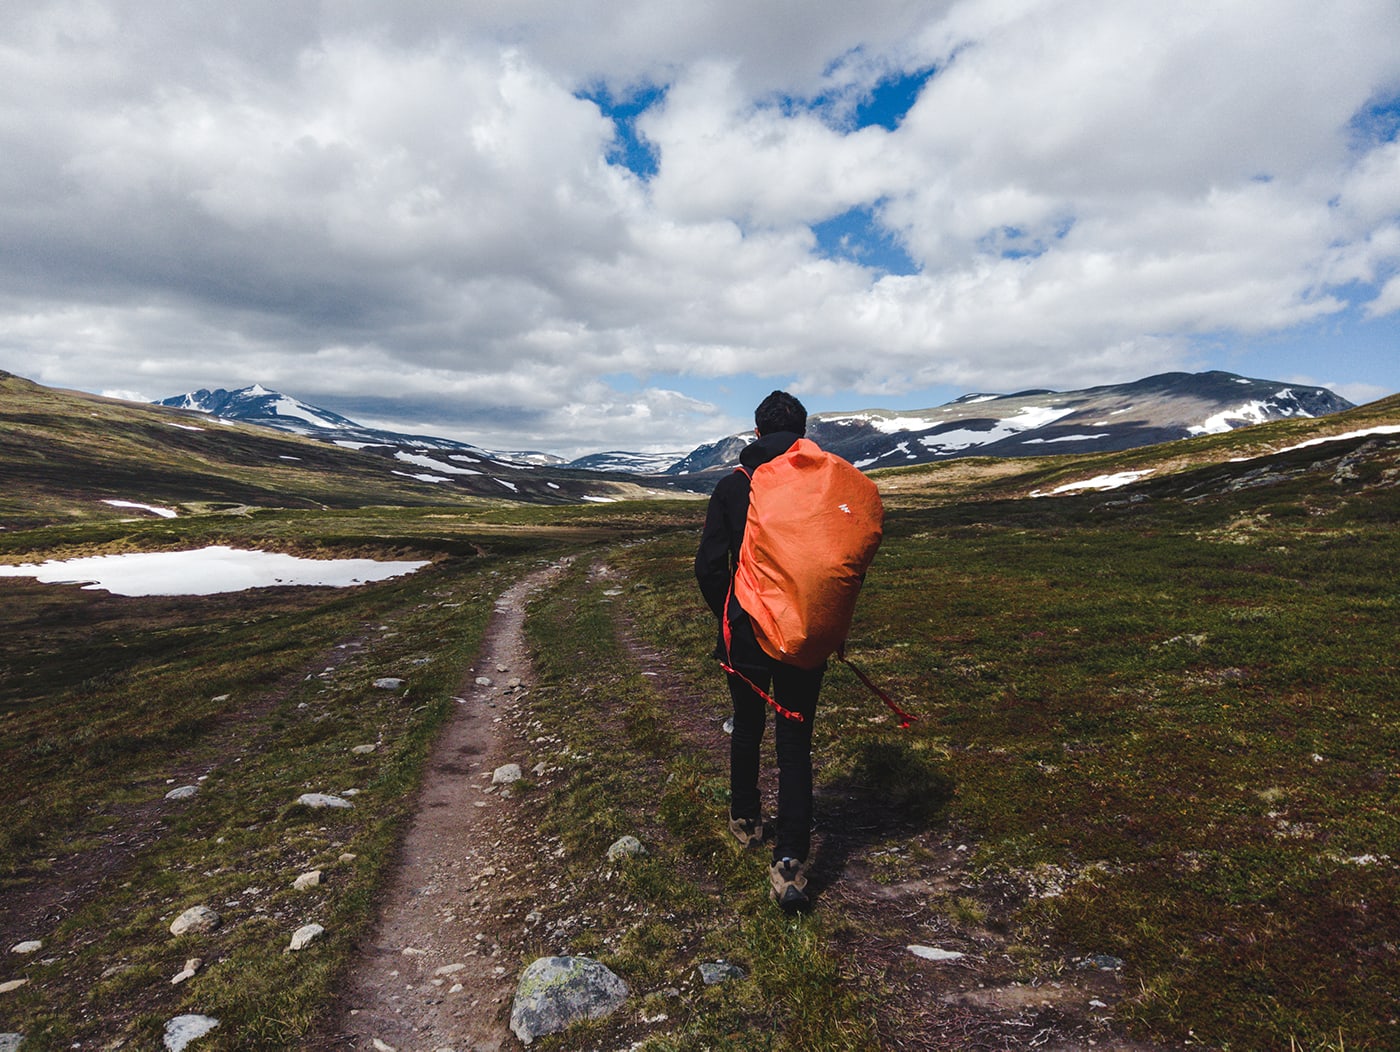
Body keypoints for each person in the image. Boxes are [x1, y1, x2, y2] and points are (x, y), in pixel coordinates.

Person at [694, 390, 824, 912]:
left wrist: (730, 612)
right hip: (803, 630)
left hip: (746, 630)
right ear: (803, 434)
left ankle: (746, 819)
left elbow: (708, 567)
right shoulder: (821, 484)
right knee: (795, 739)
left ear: (755, 434)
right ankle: (791, 858)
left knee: (748, 722)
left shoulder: (733, 486)